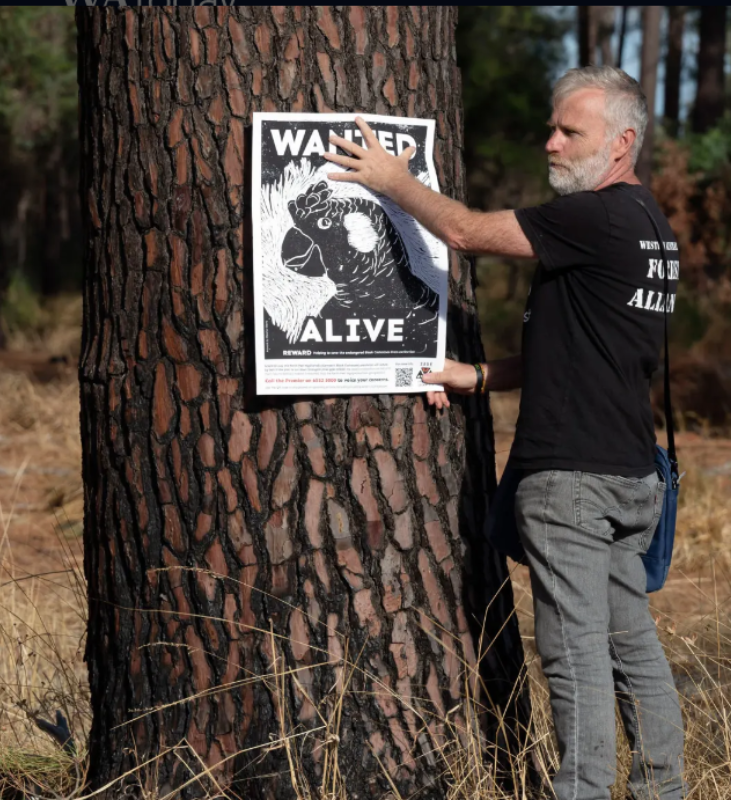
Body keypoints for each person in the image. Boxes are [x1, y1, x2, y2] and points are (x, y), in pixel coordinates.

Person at [322, 66, 686, 800]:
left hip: (574, 483)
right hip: (627, 477)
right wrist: (482, 378)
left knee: (573, 657)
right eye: (550, 128)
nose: (550, 143)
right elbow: (590, 348)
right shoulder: (653, 230)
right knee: (630, 648)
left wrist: (392, 179)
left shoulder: (594, 216)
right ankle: (664, 790)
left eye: (569, 132)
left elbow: (463, 232)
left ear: (621, 143)